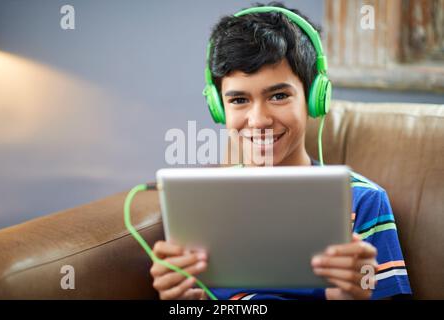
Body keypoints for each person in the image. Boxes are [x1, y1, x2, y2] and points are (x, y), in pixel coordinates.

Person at [150, 2, 412, 300]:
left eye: (278, 95)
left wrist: (352, 295)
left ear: (315, 97)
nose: (259, 119)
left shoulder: (363, 201)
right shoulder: (198, 203)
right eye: (238, 100)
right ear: (218, 107)